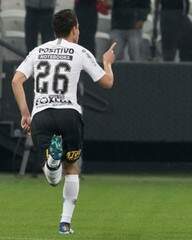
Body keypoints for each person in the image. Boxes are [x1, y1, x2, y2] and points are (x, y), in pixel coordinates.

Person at [12, 9, 116, 235]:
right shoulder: (80, 51)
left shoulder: (38, 51)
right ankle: (65, 223)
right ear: (74, 29)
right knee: (72, 168)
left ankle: (51, 164)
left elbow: (16, 80)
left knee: (51, 179)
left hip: (41, 115)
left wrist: (25, 113)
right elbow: (107, 82)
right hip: (69, 115)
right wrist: (107, 62)